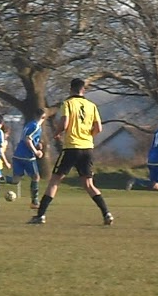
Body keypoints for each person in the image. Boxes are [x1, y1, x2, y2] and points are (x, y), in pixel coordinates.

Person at [28, 78, 113, 225]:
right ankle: (107, 213)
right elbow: (98, 128)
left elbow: (65, 122)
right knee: (88, 184)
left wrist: (57, 132)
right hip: (87, 148)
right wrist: (87, 136)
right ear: (83, 90)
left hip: (71, 148)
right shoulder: (91, 105)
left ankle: (40, 216)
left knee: (54, 181)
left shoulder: (67, 103)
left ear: (71, 89)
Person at [9, 108, 46, 209]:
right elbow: (28, 140)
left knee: (15, 180)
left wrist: (37, 144)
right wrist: (36, 151)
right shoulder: (35, 127)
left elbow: (30, 139)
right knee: (35, 177)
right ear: (43, 117)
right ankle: (34, 202)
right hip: (27, 156)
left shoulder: (30, 124)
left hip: (18, 154)